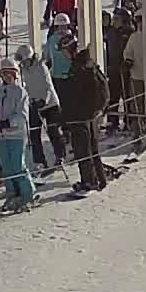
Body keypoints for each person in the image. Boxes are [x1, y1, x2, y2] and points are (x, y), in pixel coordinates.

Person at [59, 32, 111, 191]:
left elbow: (77, 95)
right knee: (92, 148)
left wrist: (67, 116)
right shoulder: (88, 63)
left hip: (80, 115)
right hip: (90, 114)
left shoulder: (78, 67)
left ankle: (89, 181)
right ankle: (99, 178)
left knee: (83, 150)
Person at [16, 45, 66, 174]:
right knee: (34, 133)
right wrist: (29, 100)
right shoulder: (24, 70)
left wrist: (44, 100)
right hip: (35, 104)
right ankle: (39, 161)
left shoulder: (41, 67)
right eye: (22, 62)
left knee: (53, 130)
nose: (24, 64)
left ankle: (60, 156)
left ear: (31, 58)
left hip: (50, 103)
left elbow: (48, 86)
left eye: (25, 61)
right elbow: (25, 87)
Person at [0, 63, 36, 211]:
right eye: (4, 74)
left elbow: (22, 115)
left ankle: (27, 194)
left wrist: (8, 123)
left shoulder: (20, 92)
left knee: (18, 165)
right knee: (7, 167)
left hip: (16, 134)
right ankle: (12, 193)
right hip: (1, 136)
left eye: (10, 74)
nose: (7, 77)